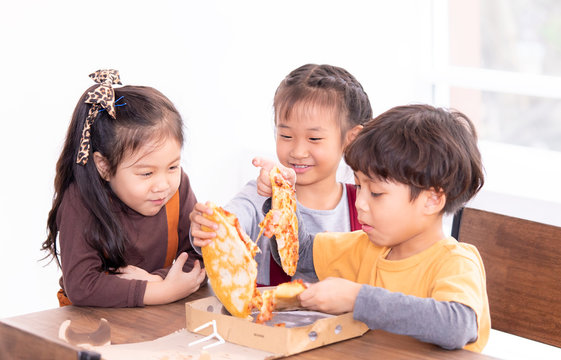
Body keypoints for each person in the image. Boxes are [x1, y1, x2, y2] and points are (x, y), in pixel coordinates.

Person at [257, 104, 490, 352]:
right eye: (358, 187)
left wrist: (357, 298)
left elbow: (456, 326)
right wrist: (282, 200)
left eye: (376, 193)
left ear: (432, 200)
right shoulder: (362, 247)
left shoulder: (456, 263)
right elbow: (297, 256)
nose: (360, 203)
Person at [190, 64, 372, 285]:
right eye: (286, 135)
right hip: (267, 319)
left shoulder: (366, 205)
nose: (297, 151)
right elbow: (225, 226)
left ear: (350, 139)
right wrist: (207, 228)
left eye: (314, 139)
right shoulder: (260, 195)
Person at [42, 70, 206, 307]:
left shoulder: (177, 189)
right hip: (93, 326)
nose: (163, 185)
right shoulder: (80, 200)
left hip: (154, 320)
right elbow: (82, 285)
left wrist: (156, 281)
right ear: (104, 167)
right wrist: (161, 292)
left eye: (173, 167)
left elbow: (198, 259)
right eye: (146, 173)